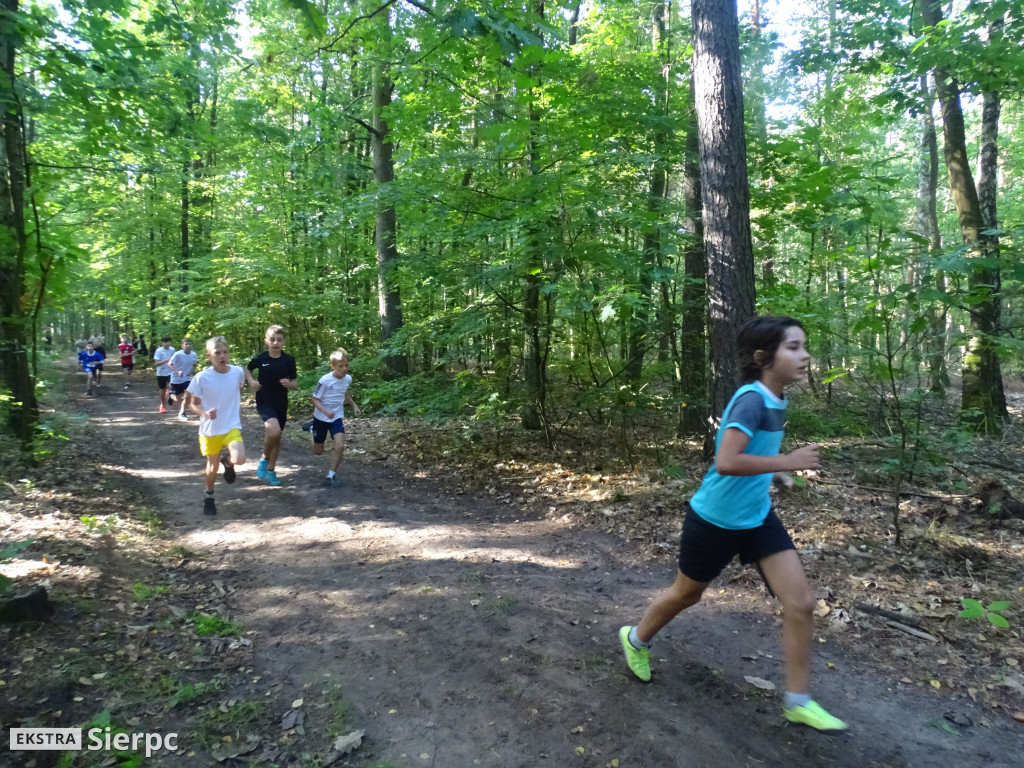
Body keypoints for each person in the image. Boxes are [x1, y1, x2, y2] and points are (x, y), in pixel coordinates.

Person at [618, 316, 847, 732]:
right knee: (686, 595)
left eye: (804, 345)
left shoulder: (775, 398)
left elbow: (751, 453)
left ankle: (798, 701)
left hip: (756, 517)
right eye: (793, 347)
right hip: (715, 521)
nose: (805, 355)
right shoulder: (752, 400)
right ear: (763, 358)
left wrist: (774, 473)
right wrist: (787, 461)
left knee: (801, 604)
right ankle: (635, 639)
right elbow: (726, 461)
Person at [186, 336, 246, 516]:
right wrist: (204, 413)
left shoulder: (237, 372)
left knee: (240, 458)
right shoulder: (202, 377)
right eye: (217, 353)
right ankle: (209, 496)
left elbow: (238, 390)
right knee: (212, 467)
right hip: (210, 429)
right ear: (208, 356)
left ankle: (228, 462)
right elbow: (193, 404)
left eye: (225, 352)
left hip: (231, 425)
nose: (222, 356)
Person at [244, 324, 298, 487]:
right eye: (272, 340)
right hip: (264, 400)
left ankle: (271, 470)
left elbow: (295, 383)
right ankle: (264, 459)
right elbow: (247, 369)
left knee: (277, 436)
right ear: (266, 341)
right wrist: (251, 381)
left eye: (279, 340)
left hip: (281, 402)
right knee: (273, 431)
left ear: (284, 342)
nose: (275, 343)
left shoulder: (289, 360)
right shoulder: (261, 358)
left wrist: (289, 383)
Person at [310, 348, 361, 487]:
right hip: (321, 417)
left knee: (340, 445)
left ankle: (331, 475)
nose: (344, 369)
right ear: (332, 366)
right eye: (340, 366)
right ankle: (311, 427)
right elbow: (314, 399)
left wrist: (354, 405)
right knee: (318, 452)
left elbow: (344, 392)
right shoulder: (325, 380)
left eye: (346, 365)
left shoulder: (348, 379)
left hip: (336, 417)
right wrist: (326, 412)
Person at [169, 338, 198, 421]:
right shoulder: (177, 354)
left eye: (189, 344)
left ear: (192, 346)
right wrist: (177, 372)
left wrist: (190, 371)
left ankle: (182, 412)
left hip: (187, 378)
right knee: (178, 399)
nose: (188, 345)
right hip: (176, 379)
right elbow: (170, 364)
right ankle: (171, 395)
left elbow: (194, 364)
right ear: (182, 346)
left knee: (188, 395)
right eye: (186, 344)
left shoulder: (194, 354)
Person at [152, 336, 175, 414]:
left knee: (171, 387)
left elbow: (175, 361)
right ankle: (162, 406)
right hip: (161, 373)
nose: (167, 344)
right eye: (165, 342)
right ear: (162, 343)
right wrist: (166, 360)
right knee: (162, 391)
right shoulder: (159, 351)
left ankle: (169, 395)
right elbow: (156, 363)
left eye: (169, 342)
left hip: (170, 372)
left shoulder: (172, 350)